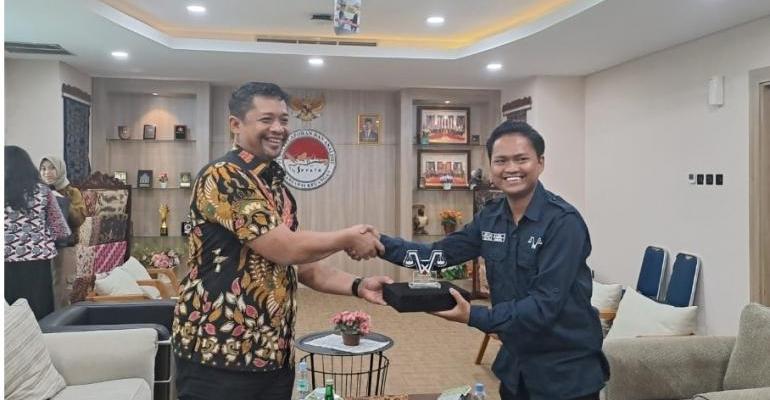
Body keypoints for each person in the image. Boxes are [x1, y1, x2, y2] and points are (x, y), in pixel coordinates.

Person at [171, 82, 392, 400]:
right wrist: (347, 237)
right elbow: (285, 248)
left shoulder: (277, 189)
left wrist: (360, 285)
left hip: (273, 353)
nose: (278, 128)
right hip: (218, 352)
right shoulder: (223, 176)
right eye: (266, 119)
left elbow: (305, 268)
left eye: (284, 120)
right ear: (236, 124)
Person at [367, 121, 609, 400]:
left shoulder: (563, 223)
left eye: (521, 159)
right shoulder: (490, 217)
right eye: (501, 161)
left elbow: (545, 305)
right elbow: (438, 255)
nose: (511, 168)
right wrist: (379, 244)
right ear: (491, 166)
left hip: (565, 371)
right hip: (515, 366)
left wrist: (474, 316)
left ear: (540, 163)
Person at [5, 146, 71, 319]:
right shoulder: (43, 191)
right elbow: (60, 229)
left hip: (5, 260)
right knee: (39, 310)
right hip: (38, 258)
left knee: (8, 313)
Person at [39, 155, 87, 230]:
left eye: (52, 168)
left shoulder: (72, 192)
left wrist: (61, 199)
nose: (47, 172)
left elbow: (79, 220)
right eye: (43, 169)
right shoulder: (38, 192)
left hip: (66, 236)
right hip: (42, 236)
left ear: (60, 169)